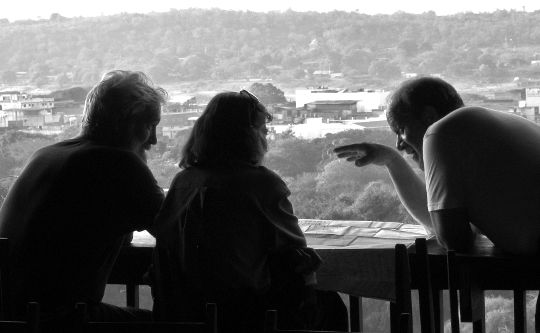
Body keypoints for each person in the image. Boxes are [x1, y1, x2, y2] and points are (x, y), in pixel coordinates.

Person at [334, 76, 540, 329]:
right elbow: (442, 224)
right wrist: (391, 161)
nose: (399, 144)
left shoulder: (442, 132)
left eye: (400, 129)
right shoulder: (485, 124)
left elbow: (454, 240)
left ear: (429, 116)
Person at [151, 90, 347, 333]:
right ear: (248, 135)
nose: (266, 137)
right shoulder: (260, 184)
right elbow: (296, 255)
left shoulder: (183, 182)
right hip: (245, 314)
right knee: (332, 307)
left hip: (182, 313)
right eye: (263, 130)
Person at [0, 70, 166, 330]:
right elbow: (179, 231)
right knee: (175, 325)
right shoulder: (118, 163)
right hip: (59, 318)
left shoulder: (45, 155)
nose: (153, 140)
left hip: (12, 314)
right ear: (125, 122)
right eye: (149, 125)